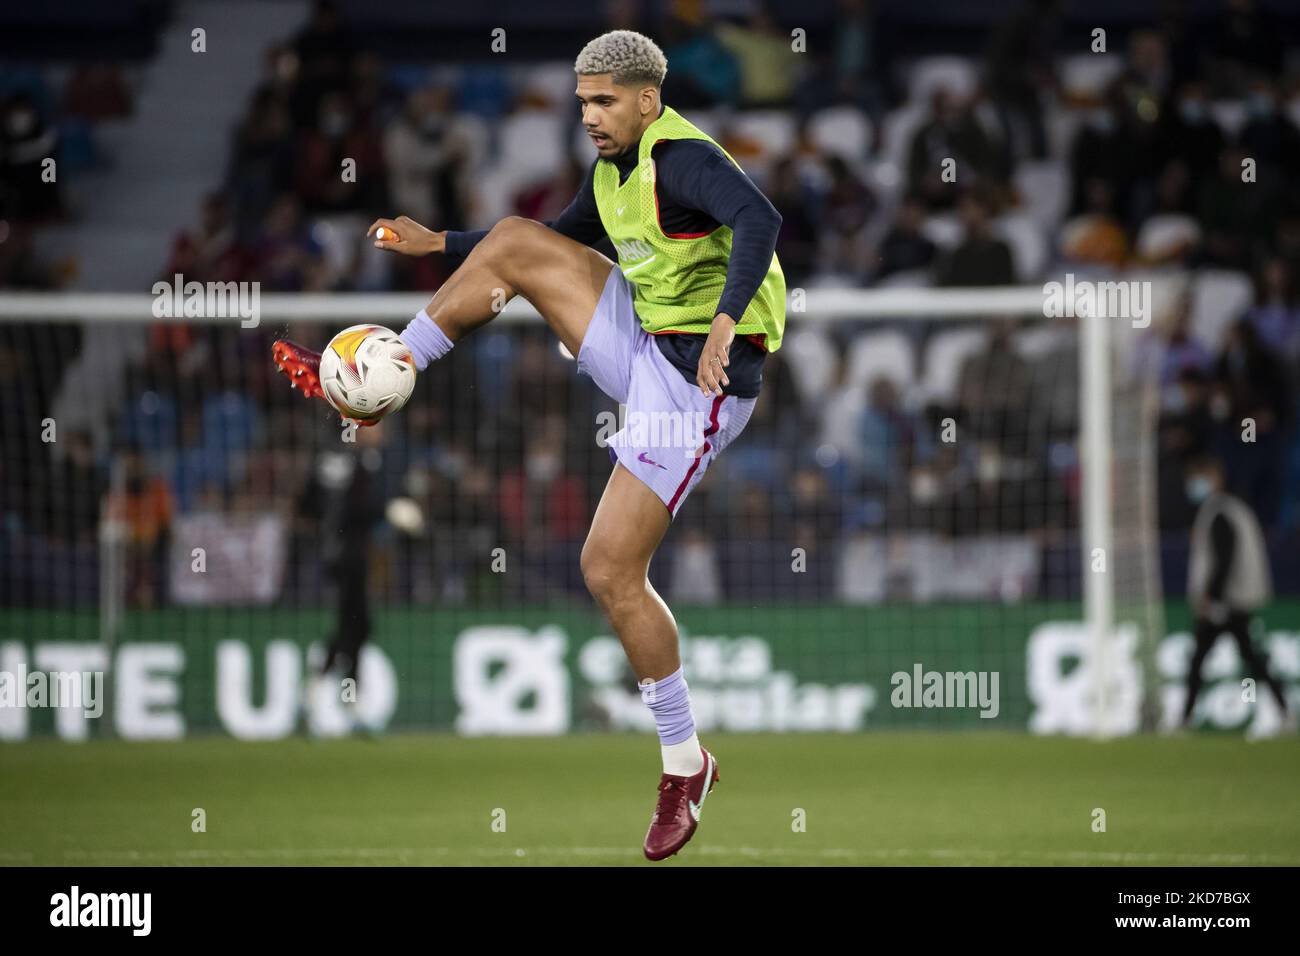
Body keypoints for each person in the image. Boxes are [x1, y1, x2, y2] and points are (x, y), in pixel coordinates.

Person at [271, 29, 786, 861]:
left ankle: (684, 763)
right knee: (514, 237)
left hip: (700, 384)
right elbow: (552, 240)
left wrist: (727, 318)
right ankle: (388, 374)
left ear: (648, 101)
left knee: (609, 571)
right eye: (583, 101)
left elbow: (761, 217)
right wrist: (439, 244)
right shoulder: (612, 171)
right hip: (651, 341)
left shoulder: (681, 158)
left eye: (604, 101)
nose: (589, 116)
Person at [1181, 454, 1293, 733]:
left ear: (1215, 479)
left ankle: (1184, 719)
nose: (1195, 485)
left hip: (1225, 603)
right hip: (1235, 601)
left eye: (1200, 478)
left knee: (1200, 660)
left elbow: (1224, 558)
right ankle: (1285, 710)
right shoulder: (1232, 509)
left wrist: (1211, 596)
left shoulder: (1219, 512)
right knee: (1249, 657)